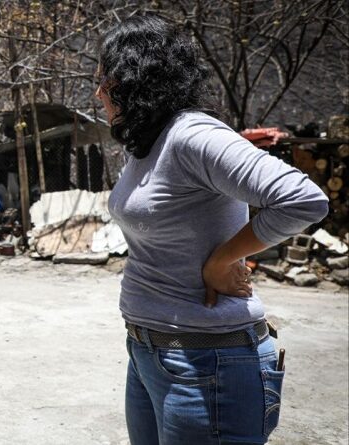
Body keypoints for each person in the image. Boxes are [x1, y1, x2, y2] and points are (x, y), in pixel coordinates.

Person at [95, 16, 329, 445]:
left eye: (106, 80)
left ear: (135, 78)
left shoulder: (192, 135)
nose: (99, 92)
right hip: (149, 352)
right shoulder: (149, 144)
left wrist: (222, 260)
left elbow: (304, 198)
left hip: (207, 363)